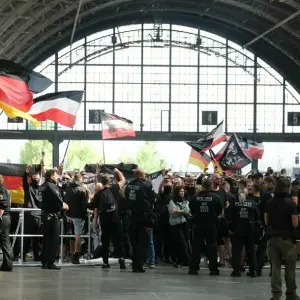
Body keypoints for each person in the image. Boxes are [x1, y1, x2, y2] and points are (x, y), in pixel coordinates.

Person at [265, 178, 299, 300]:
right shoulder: (291, 203)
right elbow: (295, 223)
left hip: (273, 239)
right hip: (287, 240)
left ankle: (276, 295)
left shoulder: (269, 202)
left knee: (275, 268)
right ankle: (291, 294)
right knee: (290, 269)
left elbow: (266, 221)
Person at [189, 179, 223, 275]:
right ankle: (213, 269)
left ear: (202, 186)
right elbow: (219, 210)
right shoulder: (215, 197)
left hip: (198, 224)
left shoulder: (195, 197)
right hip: (211, 225)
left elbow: (191, 209)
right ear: (211, 185)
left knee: (196, 247)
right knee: (212, 246)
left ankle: (194, 268)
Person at [94, 169, 126, 269]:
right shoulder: (114, 188)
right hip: (115, 219)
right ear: (109, 181)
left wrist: (95, 221)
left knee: (105, 241)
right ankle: (121, 259)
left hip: (105, 221)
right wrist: (117, 171)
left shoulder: (98, 194)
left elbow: (94, 207)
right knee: (119, 241)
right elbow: (123, 180)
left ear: (101, 182)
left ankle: (105, 262)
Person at [125, 169, 156, 273]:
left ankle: (134, 264)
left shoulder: (129, 185)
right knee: (143, 242)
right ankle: (139, 265)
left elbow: (126, 196)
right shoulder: (145, 186)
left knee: (134, 242)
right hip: (143, 217)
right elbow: (152, 198)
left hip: (132, 216)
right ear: (141, 175)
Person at [39, 169, 69, 270]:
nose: (58, 177)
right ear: (51, 176)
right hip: (53, 216)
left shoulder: (42, 186)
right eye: (56, 175)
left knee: (46, 239)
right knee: (53, 239)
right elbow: (58, 200)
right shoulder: (52, 187)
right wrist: (63, 205)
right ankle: (50, 262)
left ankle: (44, 261)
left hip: (45, 215)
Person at [226, 191, 260, 277]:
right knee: (251, 250)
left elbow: (228, 216)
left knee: (236, 250)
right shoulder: (252, 204)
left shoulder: (234, 204)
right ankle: (253, 270)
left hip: (237, 230)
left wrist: (231, 227)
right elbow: (257, 216)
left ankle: (236, 271)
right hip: (250, 229)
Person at [64, 173, 89, 264]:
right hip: (78, 216)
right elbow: (84, 205)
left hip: (69, 215)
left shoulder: (69, 189)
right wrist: (84, 215)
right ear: (80, 179)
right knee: (78, 237)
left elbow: (65, 201)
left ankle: (71, 253)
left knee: (71, 235)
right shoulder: (82, 190)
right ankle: (76, 255)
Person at [22, 165, 42, 261]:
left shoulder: (41, 189)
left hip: (38, 215)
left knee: (36, 238)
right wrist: (27, 171)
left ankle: (36, 255)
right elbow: (24, 182)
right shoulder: (28, 188)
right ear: (32, 179)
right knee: (27, 237)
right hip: (29, 215)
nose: (37, 180)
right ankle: (24, 254)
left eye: (38, 178)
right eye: (35, 178)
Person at [168, 186, 191, 268]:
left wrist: (179, 211)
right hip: (175, 225)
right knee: (180, 243)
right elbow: (173, 212)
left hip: (184, 224)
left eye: (183, 191)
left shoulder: (185, 201)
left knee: (185, 242)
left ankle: (183, 260)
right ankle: (185, 260)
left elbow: (187, 210)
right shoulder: (172, 202)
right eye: (180, 191)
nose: (182, 193)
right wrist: (183, 211)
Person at [0, 175, 13, 271]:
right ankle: (7, 264)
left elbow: (3, 204)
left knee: (5, 241)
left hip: (2, 217)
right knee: (5, 241)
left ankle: (7, 264)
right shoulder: (4, 189)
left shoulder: (1, 190)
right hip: (6, 217)